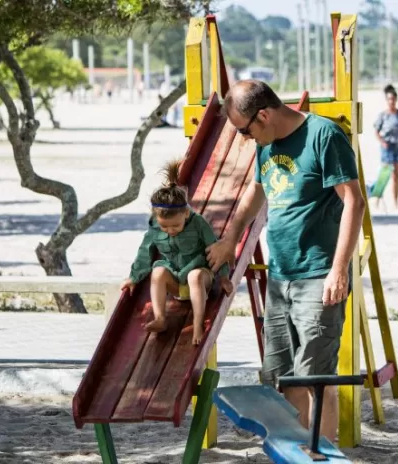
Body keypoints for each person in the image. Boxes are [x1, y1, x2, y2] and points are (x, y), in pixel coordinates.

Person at [205, 79, 365, 442]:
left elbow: (354, 200)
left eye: (245, 131)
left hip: (318, 275)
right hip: (280, 277)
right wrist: (231, 240)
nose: (245, 139)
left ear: (263, 114)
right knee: (283, 375)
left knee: (316, 376)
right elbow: (256, 193)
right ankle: (295, 449)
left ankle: (320, 454)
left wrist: (339, 270)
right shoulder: (266, 144)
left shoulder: (323, 136)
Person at [121, 160, 234, 345]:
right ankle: (160, 318)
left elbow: (215, 249)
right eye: (165, 226)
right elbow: (144, 254)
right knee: (157, 272)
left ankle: (198, 326)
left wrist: (223, 277)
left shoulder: (197, 223)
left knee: (195, 276)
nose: (170, 230)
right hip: (175, 280)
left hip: (199, 279)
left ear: (186, 214)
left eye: (176, 225)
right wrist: (133, 278)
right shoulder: (155, 228)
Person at [373, 84, 398, 210]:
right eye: (389, 99)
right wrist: (382, 142)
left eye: (393, 99)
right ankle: (377, 199)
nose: (391, 102)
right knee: (384, 175)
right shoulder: (383, 115)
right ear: (387, 101)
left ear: (396, 100)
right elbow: (376, 130)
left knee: (396, 176)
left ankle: (396, 202)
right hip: (387, 147)